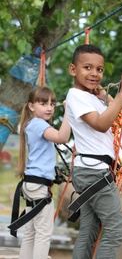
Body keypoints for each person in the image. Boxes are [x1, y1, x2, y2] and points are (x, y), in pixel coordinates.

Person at [66, 44, 122, 259]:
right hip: (93, 171)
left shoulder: (94, 99)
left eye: (100, 69)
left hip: (92, 170)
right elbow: (101, 124)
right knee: (115, 231)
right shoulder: (75, 96)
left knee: (89, 231)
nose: (94, 73)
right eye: (87, 67)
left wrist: (106, 95)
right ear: (73, 70)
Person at [17, 86, 70, 259]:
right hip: (37, 184)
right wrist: (69, 111)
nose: (49, 108)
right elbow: (62, 137)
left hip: (32, 184)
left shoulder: (31, 124)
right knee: (43, 233)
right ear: (31, 106)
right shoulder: (38, 124)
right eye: (43, 103)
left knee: (31, 232)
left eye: (52, 104)